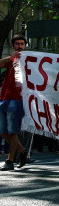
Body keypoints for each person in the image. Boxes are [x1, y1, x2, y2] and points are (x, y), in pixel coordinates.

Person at [0, 34, 29, 171]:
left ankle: (10, 160)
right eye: (17, 44)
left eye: (22, 44)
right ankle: (22, 152)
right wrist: (10, 58)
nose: (20, 46)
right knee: (2, 131)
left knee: (12, 131)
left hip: (18, 99)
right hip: (3, 98)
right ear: (13, 46)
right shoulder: (9, 60)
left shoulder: (30, 61)